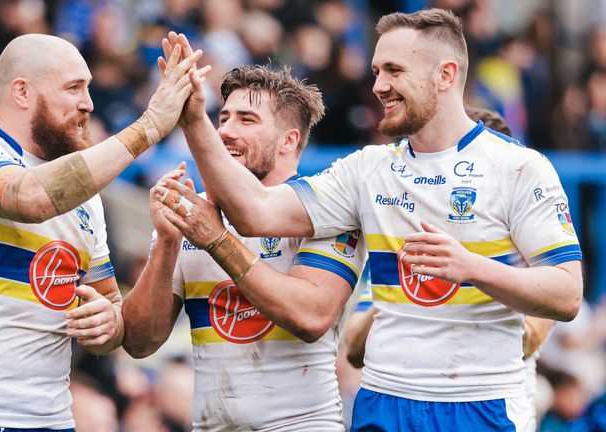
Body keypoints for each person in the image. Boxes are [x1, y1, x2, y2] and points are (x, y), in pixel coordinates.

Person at [162, 9, 583, 431]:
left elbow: (567, 293)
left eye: (394, 71)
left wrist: (473, 267)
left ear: (445, 74)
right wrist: (196, 120)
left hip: (479, 403)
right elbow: (255, 213)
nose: (379, 85)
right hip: (384, 404)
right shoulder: (366, 169)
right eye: (377, 70)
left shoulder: (518, 167)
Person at [0, 33, 207, 431]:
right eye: (73, 88)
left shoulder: (87, 199)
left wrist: (108, 324)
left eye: (89, 87)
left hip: (51, 419)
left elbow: (115, 322)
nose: (89, 103)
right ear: (22, 92)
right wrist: (150, 126)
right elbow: (29, 197)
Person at [118, 62, 365, 430]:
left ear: (289, 141)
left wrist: (217, 239)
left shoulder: (327, 213)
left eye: (247, 120)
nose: (226, 131)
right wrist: (167, 244)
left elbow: (310, 317)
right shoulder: (189, 215)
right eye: (223, 118)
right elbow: (140, 342)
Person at [343, 107, 556, 429]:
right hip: (409, 404)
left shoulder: (531, 259)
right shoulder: (411, 253)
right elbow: (354, 351)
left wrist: (473, 274)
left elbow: (528, 340)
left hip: (496, 411)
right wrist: (404, 299)